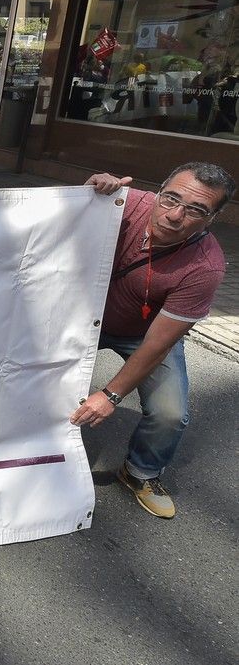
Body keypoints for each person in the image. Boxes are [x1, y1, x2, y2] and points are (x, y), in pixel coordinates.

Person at [73, 162, 233, 519]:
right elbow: (58, 225)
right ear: (158, 192)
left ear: (213, 218)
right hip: (79, 319)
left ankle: (141, 472)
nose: (175, 215)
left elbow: (157, 345)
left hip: (141, 335)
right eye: (171, 198)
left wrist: (110, 395)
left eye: (195, 210)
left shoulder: (205, 266)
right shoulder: (125, 203)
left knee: (170, 413)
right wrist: (89, 192)